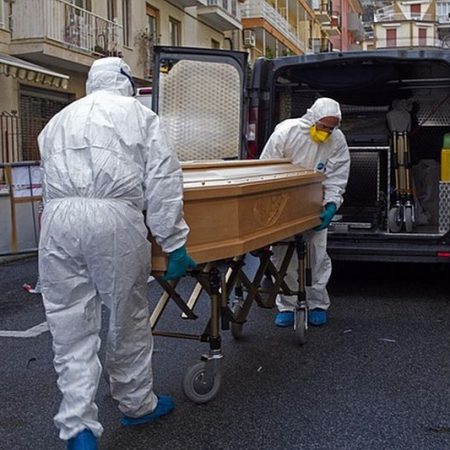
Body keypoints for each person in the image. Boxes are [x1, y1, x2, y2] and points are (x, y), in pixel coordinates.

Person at [38, 57, 196, 449]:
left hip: (57, 220)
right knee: (127, 316)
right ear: (125, 81)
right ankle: (136, 403)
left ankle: (77, 427)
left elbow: (47, 180)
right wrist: (173, 241)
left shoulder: (57, 120)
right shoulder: (138, 115)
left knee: (69, 325)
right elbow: (162, 179)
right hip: (113, 217)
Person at [259, 97, 350, 327]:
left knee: (317, 255)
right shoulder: (286, 133)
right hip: (283, 204)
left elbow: (336, 175)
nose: (325, 133)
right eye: (323, 127)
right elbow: (266, 168)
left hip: (314, 204)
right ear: (312, 119)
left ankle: (317, 303)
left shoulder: (336, 140)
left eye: (331, 128)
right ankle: (287, 305)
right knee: (283, 256)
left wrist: (331, 204)